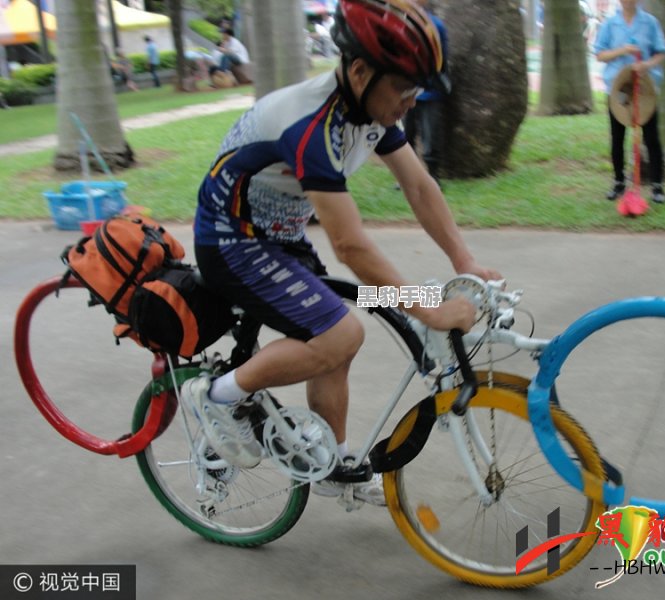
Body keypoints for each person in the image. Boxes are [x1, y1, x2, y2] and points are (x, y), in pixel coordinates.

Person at [181, 0, 501, 507]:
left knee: (336, 332)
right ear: (359, 70)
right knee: (341, 330)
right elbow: (351, 246)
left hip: (277, 237)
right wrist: (432, 310)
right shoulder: (311, 127)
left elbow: (418, 187)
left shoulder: (369, 108)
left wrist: (463, 260)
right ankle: (217, 399)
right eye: (405, 88)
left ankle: (329, 460)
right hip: (231, 240)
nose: (412, 102)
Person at [594, 0, 665, 204]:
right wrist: (623, 50)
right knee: (617, 136)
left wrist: (646, 64)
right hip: (619, 88)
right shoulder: (610, 23)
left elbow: (661, 52)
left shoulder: (650, 22)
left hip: (645, 88)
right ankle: (618, 182)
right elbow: (600, 54)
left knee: (652, 137)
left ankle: (657, 186)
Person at [402, 0, 449, 188]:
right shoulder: (403, 22)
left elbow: (441, 58)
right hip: (407, 90)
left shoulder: (435, 25)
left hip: (429, 91)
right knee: (407, 136)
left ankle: (434, 177)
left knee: (430, 137)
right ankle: (409, 178)